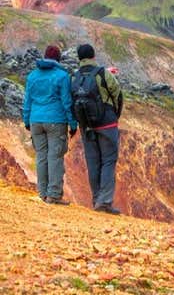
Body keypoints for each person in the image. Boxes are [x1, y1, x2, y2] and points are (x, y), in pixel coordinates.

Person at [22, 45, 77, 205]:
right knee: (55, 157)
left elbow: (27, 101)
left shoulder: (32, 76)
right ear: (58, 59)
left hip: (35, 120)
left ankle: (42, 193)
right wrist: (73, 124)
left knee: (41, 156)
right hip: (56, 121)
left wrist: (27, 121)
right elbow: (67, 102)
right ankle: (53, 195)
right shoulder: (62, 76)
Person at [72, 44, 123, 215]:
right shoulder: (103, 73)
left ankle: (96, 200)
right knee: (108, 160)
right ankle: (105, 202)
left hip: (87, 126)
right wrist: (115, 115)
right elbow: (117, 94)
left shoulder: (75, 76)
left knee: (93, 163)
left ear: (79, 58)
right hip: (107, 124)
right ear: (93, 56)